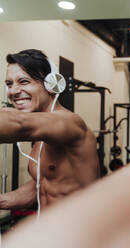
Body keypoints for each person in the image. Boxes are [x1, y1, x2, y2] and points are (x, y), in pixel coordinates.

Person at [0, 49, 99, 210]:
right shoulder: (42, 134)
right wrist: (3, 200)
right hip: (51, 229)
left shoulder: (70, 122)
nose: (13, 91)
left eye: (24, 82)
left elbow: (20, 124)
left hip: (80, 230)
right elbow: (44, 184)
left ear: (51, 84)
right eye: (9, 84)